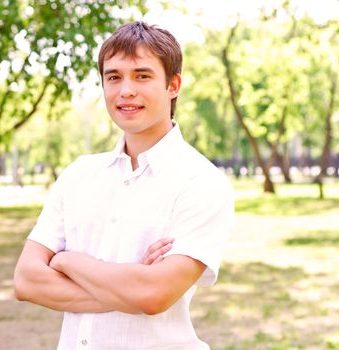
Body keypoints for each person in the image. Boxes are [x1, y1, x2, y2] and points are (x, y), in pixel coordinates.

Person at [14, 21, 234, 350]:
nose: (125, 90)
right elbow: (27, 281)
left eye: (142, 76)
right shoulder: (79, 175)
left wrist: (67, 262)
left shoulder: (201, 182)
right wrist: (129, 285)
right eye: (113, 77)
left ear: (173, 85)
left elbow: (154, 294)